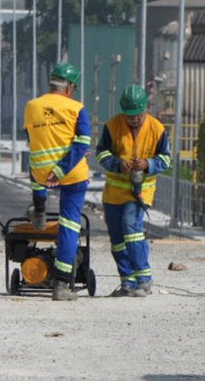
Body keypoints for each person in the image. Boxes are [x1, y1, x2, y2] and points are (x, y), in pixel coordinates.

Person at [22, 62, 93, 301]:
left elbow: (33, 138)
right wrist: (61, 169)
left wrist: (50, 165)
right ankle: (62, 284)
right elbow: (83, 142)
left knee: (34, 172)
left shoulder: (31, 106)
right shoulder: (77, 108)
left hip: (41, 172)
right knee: (70, 225)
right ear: (70, 87)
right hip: (71, 174)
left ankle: (40, 210)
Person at [95, 84, 171, 298]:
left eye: (138, 114)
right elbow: (101, 153)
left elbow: (165, 158)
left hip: (140, 191)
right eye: (130, 115)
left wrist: (148, 164)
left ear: (146, 108)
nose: (134, 119)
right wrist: (117, 164)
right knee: (117, 238)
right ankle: (127, 281)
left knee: (131, 228)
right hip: (114, 192)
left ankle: (144, 279)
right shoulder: (112, 126)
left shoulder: (157, 129)